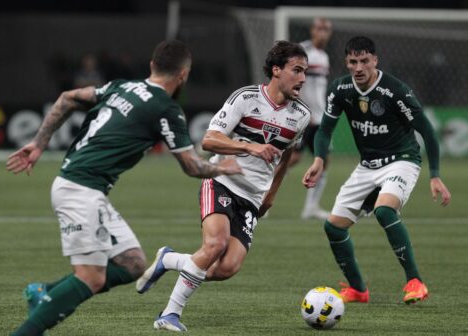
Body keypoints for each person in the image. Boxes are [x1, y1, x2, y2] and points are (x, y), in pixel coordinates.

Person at [6, 40, 241, 336]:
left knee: (132, 264)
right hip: (81, 191)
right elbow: (192, 166)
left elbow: (67, 98)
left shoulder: (121, 87)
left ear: (152, 66)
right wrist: (225, 167)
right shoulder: (165, 109)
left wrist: (38, 144)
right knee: (90, 278)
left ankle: (44, 291)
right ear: (184, 75)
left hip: (83, 188)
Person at [135, 41, 311, 332]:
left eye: (305, 72)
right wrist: (250, 147)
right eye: (297, 70)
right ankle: (169, 314)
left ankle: (169, 259)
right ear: (277, 70)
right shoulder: (245, 98)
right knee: (214, 245)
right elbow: (209, 140)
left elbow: (286, 154)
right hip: (223, 181)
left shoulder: (301, 115)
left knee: (227, 268)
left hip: (254, 197)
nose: (303, 78)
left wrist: (271, 194)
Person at [302, 36, 451, 304]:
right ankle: (358, 290)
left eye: (364, 61)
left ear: (375, 61)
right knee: (334, 228)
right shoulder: (341, 89)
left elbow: (427, 131)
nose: (358, 67)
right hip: (367, 166)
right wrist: (319, 160)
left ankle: (415, 282)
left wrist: (435, 175)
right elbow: (324, 130)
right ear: (346, 62)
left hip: (402, 160)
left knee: (384, 210)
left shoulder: (395, 90)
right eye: (352, 61)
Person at [288, 17, 333, 220]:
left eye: (326, 29)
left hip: (319, 118)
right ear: (312, 30)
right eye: (319, 29)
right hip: (302, 118)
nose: (323, 33)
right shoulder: (302, 52)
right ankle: (260, 195)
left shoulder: (324, 57)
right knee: (291, 159)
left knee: (323, 161)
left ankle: (311, 207)